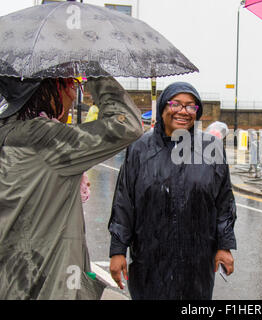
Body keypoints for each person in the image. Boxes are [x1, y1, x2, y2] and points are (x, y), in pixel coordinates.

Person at [0, 76, 143, 299]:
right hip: (47, 284)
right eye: (70, 84)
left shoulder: (9, 132)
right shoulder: (43, 137)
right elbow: (126, 124)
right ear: (48, 90)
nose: (73, 95)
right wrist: (94, 70)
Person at [108, 82, 237, 300]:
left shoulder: (211, 148)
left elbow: (223, 202)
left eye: (190, 106)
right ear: (162, 107)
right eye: (175, 104)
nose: (183, 111)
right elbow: (124, 202)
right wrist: (118, 250)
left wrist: (224, 246)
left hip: (197, 265)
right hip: (149, 262)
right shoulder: (140, 147)